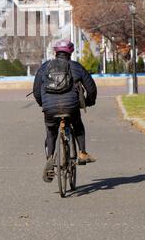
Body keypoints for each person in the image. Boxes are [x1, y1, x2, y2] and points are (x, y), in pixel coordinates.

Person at [33, 39, 97, 183]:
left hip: (49, 108)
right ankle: (81, 153)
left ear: (56, 52)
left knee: (51, 132)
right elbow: (91, 88)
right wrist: (89, 102)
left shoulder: (45, 67)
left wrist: (42, 104)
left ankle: (50, 158)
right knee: (78, 125)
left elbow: (36, 90)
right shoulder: (76, 67)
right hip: (71, 106)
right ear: (71, 52)